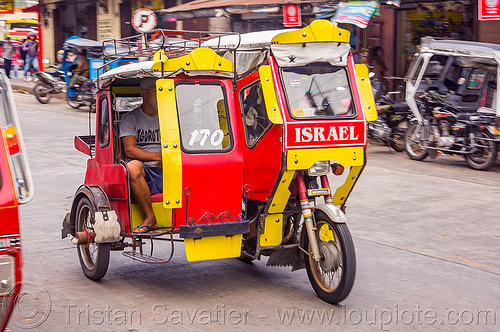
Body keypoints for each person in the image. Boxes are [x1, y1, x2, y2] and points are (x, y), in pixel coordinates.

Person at [119, 78, 161, 233]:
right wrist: (158, 157)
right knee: (132, 167)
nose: (160, 96)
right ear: (144, 93)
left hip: (169, 167)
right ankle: (151, 218)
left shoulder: (169, 116)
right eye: (156, 92)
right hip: (145, 172)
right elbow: (130, 150)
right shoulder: (130, 119)